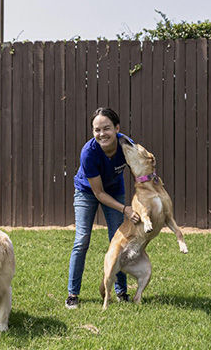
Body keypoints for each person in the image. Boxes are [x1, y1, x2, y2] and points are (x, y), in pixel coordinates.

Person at [65, 107, 140, 309]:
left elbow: (138, 172)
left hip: (115, 189)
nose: (101, 134)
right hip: (86, 192)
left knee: (119, 241)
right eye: (96, 130)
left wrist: (140, 200)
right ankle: (73, 294)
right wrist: (125, 209)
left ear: (117, 128)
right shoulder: (88, 153)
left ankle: (121, 291)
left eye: (106, 128)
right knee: (82, 240)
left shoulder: (127, 145)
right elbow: (98, 193)